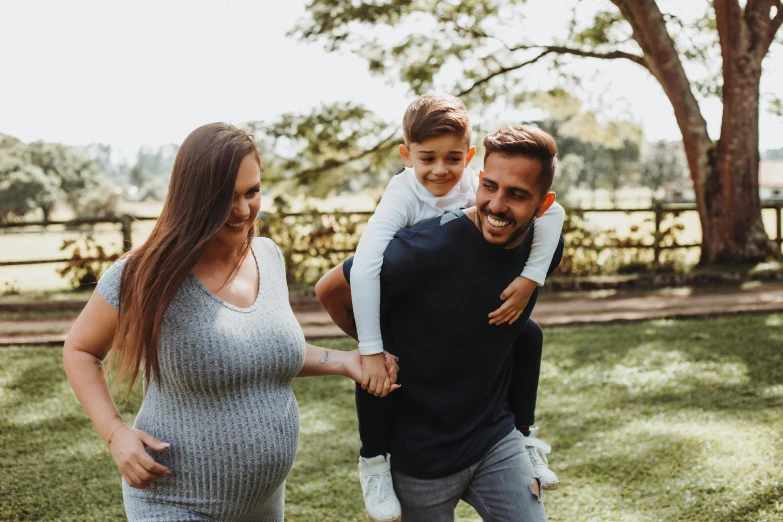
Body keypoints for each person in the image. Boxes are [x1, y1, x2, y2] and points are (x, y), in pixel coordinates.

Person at [62, 122, 399, 521]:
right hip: (174, 502)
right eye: (225, 197)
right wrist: (115, 433)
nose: (242, 210)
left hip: (262, 506)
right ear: (193, 197)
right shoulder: (144, 274)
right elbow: (80, 349)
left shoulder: (269, 258)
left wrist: (344, 361)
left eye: (252, 192)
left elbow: (261, 348)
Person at [316, 124, 563, 521]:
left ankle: (527, 440)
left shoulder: (544, 248)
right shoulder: (423, 249)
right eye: (491, 187)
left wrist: (531, 276)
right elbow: (329, 289)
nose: (497, 206)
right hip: (420, 455)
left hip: (495, 437)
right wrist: (376, 345)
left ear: (543, 204)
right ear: (478, 179)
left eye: (517, 195)